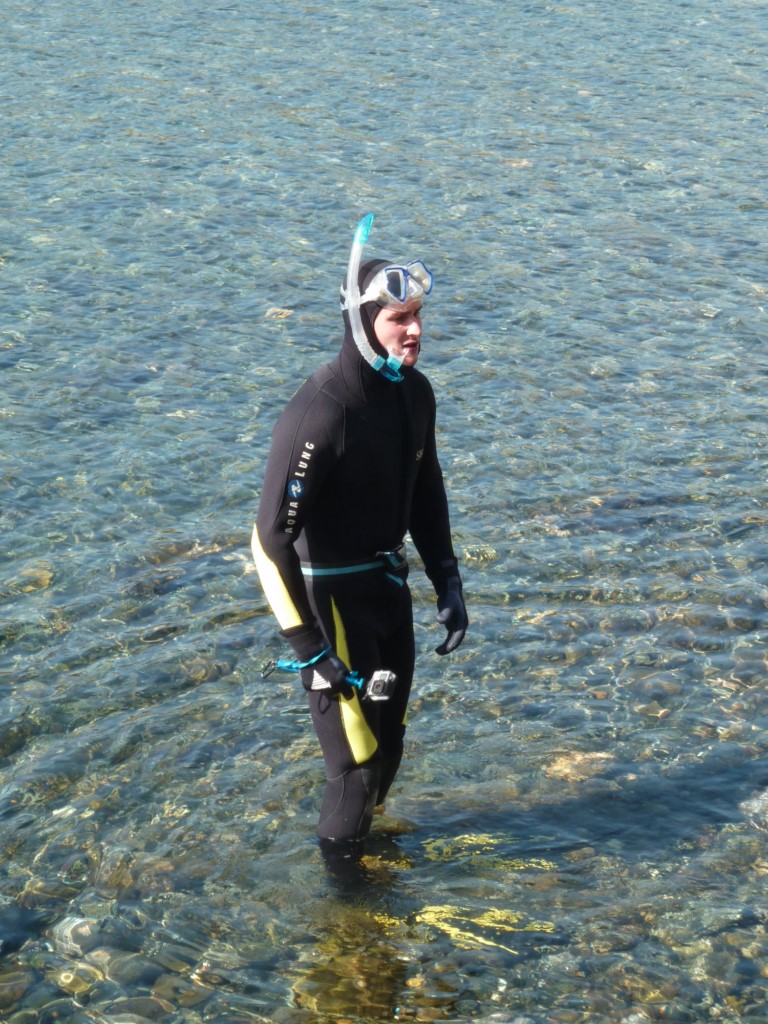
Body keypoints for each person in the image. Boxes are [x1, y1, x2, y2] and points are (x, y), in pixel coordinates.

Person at [251, 215, 467, 851]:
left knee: (390, 745)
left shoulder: (415, 395)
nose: (416, 330)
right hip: (332, 605)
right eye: (400, 318)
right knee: (355, 767)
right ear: (362, 322)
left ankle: (372, 873)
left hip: (386, 592)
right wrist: (308, 646)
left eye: (418, 315)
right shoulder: (321, 412)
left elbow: (426, 492)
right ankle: (346, 908)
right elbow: (269, 540)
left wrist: (447, 579)